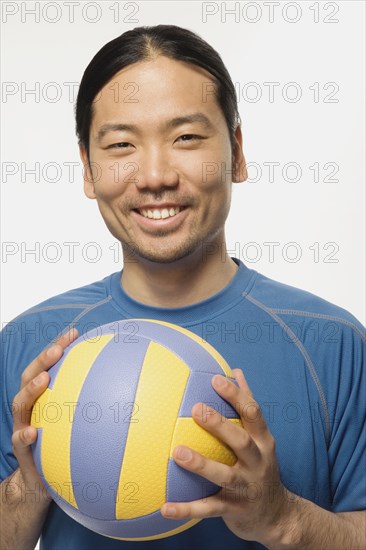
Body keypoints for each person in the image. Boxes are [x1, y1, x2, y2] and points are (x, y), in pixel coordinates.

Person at [0, 24, 365, 550]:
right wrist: (29, 485)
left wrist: (284, 519)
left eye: (186, 137)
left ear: (236, 151)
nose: (154, 175)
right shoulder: (30, 345)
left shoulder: (333, 344)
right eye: (122, 144)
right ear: (87, 167)